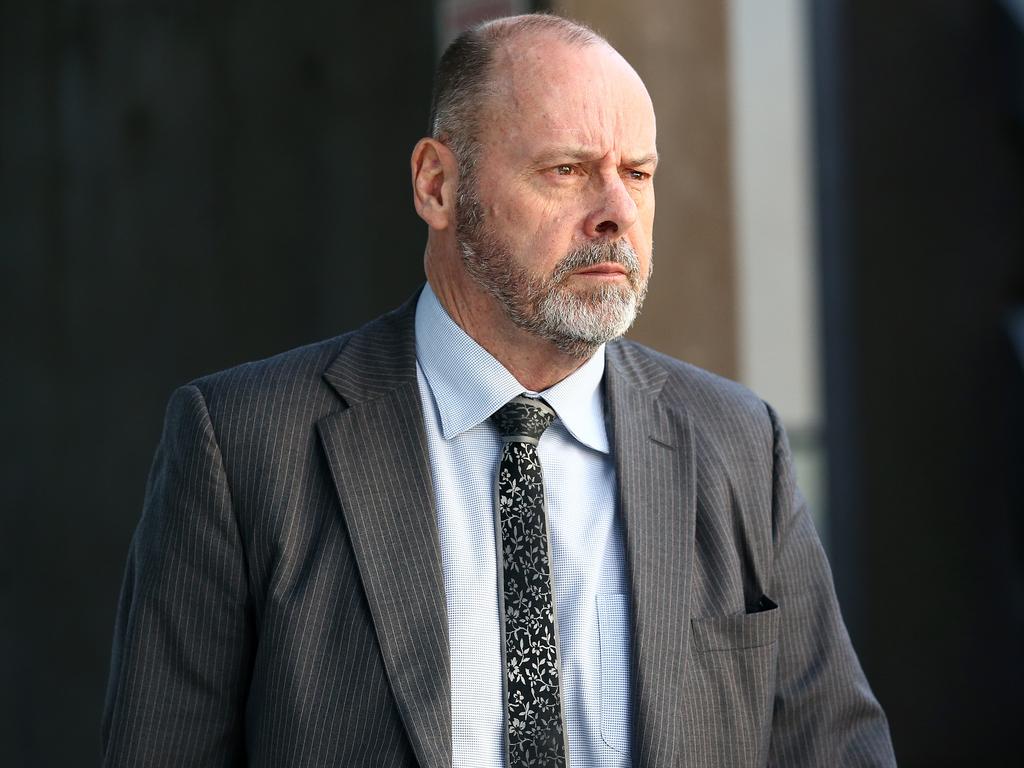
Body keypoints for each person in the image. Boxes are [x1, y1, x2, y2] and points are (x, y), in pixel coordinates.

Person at [102, 13, 896, 768]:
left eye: (638, 174)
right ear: (437, 186)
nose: (617, 213)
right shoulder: (243, 445)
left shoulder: (736, 441)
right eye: (568, 170)